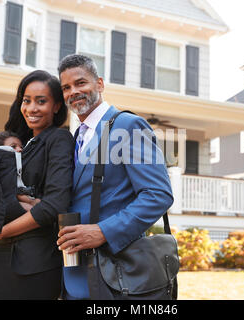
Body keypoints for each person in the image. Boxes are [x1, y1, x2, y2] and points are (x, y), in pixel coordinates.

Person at [56, 54, 174, 299]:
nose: (73, 92)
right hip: (73, 276)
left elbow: (158, 195)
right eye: (66, 87)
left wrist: (103, 231)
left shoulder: (128, 126)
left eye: (81, 83)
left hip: (116, 274)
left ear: (99, 84)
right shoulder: (77, 137)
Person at [0, 70, 74, 300]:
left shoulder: (59, 139)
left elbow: (55, 205)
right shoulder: (18, 144)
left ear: (57, 106)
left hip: (34, 261)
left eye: (41, 101)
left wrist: (2, 230)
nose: (31, 108)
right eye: (26, 100)